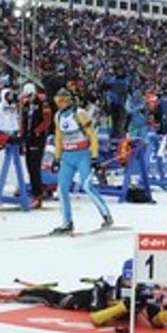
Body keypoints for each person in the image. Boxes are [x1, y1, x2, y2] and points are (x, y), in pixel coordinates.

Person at [0, 258, 167, 329]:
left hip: (120, 311)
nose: (133, 284)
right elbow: (96, 318)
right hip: (95, 302)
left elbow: (157, 323)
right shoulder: (106, 286)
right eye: (129, 279)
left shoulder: (146, 290)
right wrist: (125, 306)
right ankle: (18, 293)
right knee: (60, 300)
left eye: (136, 280)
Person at [50, 88, 113, 235]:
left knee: (87, 186)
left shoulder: (80, 114)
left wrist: (94, 156)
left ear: (70, 100)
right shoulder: (58, 116)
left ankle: (106, 215)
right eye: (58, 101)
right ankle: (67, 222)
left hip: (82, 154)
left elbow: (92, 135)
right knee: (62, 189)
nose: (60, 104)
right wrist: (57, 157)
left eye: (63, 100)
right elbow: (59, 137)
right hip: (67, 156)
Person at [19, 82, 52, 209]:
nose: (27, 98)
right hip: (28, 137)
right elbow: (23, 120)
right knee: (29, 166)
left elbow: (47, 121)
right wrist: (22, 135)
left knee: (35, 166)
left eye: (29, 96)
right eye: (26, 96)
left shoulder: (43, 103)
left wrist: (36, 132)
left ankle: (38, 195)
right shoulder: (26, 104)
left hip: (38, 138)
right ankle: (35, 192)